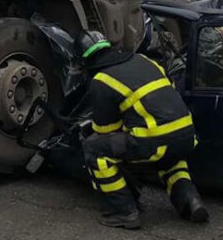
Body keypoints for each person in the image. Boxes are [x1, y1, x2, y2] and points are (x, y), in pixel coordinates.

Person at [78, 28, 208, 229]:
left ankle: (122, 211)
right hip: (187, 134)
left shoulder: (101, 80)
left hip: (155, 140)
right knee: (170, 159)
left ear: (86, 61)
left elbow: (106, 130)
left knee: (94, 149)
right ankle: (191, 202)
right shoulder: (145, 60)